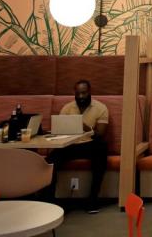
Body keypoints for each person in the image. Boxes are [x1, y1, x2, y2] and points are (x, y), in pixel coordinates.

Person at [50, 79, 109, 213]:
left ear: (90, 92)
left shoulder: (101, 108)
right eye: (78, 94)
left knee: (102, 148)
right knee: (50, 161)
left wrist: (83, 126)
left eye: (84, 93)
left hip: (90, 145)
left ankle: (92, 200)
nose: (81, 97)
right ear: (74, 93)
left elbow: (100, 134)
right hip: (70, 145)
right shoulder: (67, 108)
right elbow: (60, 131)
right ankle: (49, 201)